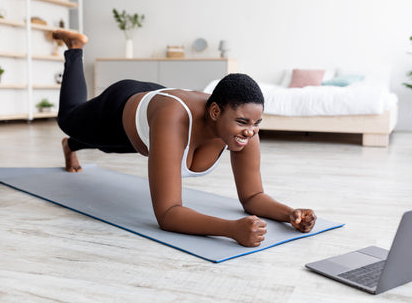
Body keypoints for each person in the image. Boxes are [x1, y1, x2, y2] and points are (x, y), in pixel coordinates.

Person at [53, 30, 317, 247]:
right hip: (120, 108)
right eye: (242, 122)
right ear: (215, 112)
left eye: (256, 123)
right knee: (69, 120)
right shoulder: (173, 120)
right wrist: (231, 229)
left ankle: (72, 146)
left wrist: (289, 214)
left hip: (149, 121)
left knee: (110, 148)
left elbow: (253, 196)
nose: (250, 131)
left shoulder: (246, 129)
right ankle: (75, 48)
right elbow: (167, 213)